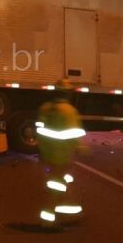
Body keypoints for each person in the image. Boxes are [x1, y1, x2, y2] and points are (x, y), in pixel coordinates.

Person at [25, 79, 86, 232]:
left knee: (61, 183)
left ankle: (69, 211)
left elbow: (38, 130)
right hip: (62, 155)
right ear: (68, 94)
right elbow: (75, 133)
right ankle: (48, 220)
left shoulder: (45, 108)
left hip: (47, 154)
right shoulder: (69, 111)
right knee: (57, 187)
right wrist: (82, 147)